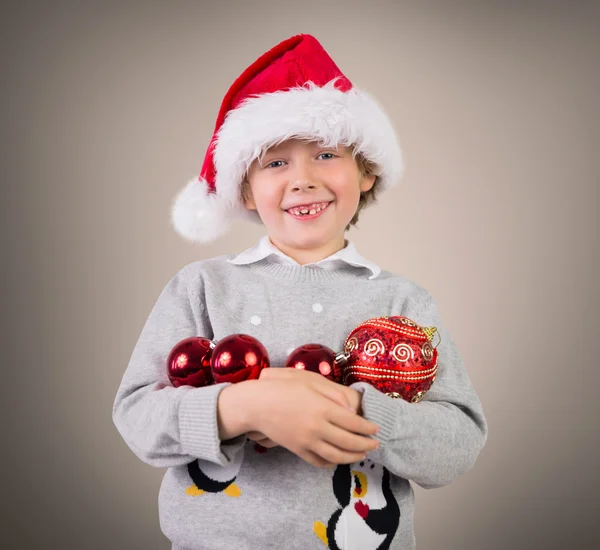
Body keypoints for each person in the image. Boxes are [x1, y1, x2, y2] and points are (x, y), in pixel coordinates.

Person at [112, 33, 488, 550]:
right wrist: (243, 407)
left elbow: (458, 444)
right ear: (244, 187)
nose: (302, 180)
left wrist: (357, 412)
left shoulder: (404, 304)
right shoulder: (201, 287)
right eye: (275, 162)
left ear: (366, 171)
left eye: (327, 153)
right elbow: (137, 417)